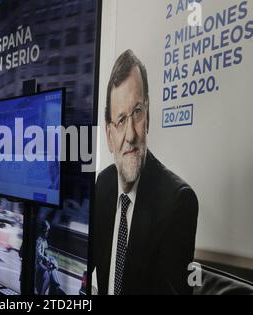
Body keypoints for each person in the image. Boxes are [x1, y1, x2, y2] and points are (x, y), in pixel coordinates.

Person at [92, 50, 198, 295]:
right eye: (120, 120)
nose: (130, 135)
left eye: (137, 113)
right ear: (109, 136)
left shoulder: (178, 202)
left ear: (147, 117)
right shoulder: (104, 184)